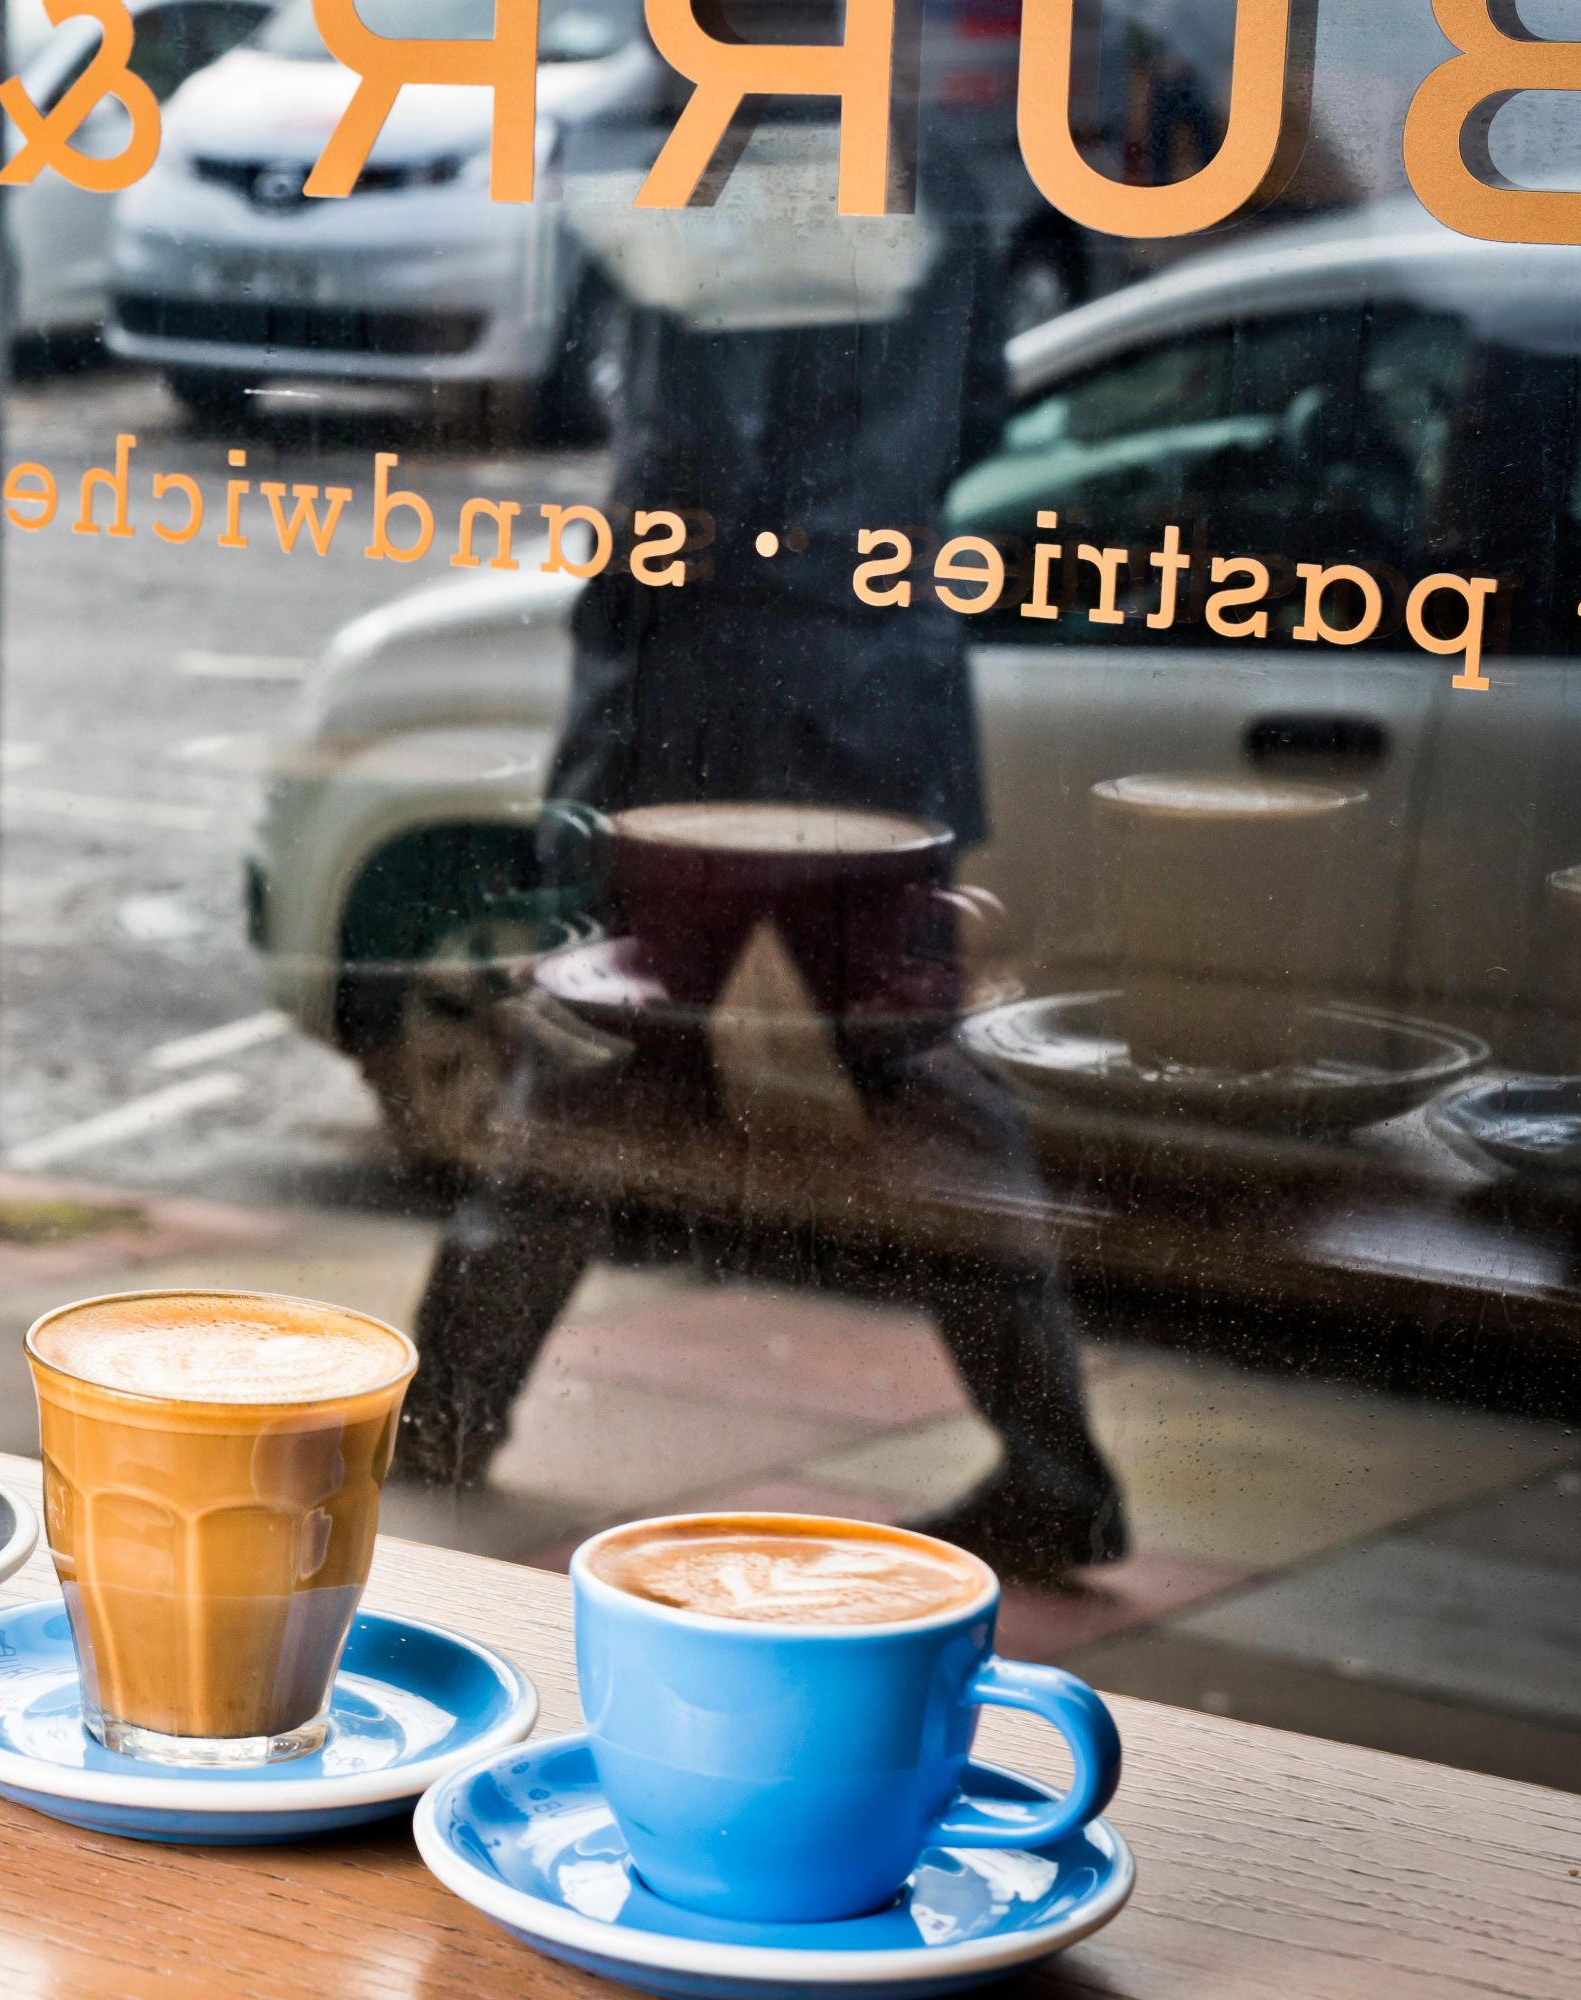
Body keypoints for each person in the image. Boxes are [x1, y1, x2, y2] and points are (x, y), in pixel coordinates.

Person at [395, 125, 1128, 1578]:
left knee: (599, 1059)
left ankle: (443, 1418)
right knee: (907, 1082)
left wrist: (622, 634)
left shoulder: (723, 179)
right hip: (871, 685)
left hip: (712, 711)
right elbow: (977, 408)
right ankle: (1054, 1465)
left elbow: (694, 463)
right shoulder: (943, 177)